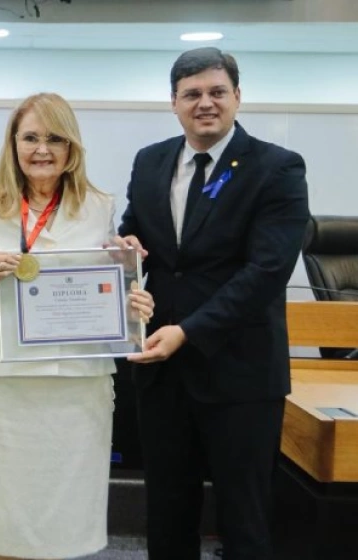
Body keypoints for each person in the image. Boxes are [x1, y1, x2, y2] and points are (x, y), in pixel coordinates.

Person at [0, 92, 154, 560]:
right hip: (0, 384)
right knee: (3, 515)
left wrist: (130, 289)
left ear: (71, 147)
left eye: (54, 138)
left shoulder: (98, 205)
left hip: (74, 387)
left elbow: (99, 287)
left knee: (64, 515)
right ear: (13, 143)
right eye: (30, 137)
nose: (42, 149)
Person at [118, 47, 310, 560]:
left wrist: (190, 331)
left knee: (244, 521)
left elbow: (267, 272)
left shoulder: (277, 168)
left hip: (239, 374)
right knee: (166, 514)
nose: (205, 103)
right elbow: (136, 232)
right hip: (161, 370)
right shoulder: (151, 160)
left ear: (237, 97)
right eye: (192, 94)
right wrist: (124, 248)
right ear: (174, 103)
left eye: (217, 92)